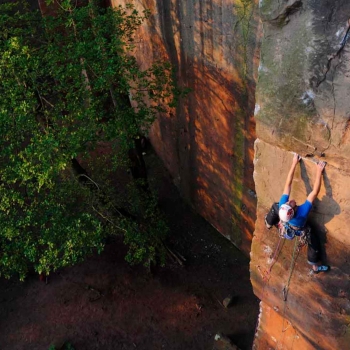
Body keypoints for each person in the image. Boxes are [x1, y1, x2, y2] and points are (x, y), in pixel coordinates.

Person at [265, 153, 329, 274]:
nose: (290, 201)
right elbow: (315, 192)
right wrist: (319, 171)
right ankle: (315, 266)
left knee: (275, 206)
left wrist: (294, 162)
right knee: (313, 241)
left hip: (286, 223)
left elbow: (288, 183)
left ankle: (268, 222)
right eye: (291, 204)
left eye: (288, 202)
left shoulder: (283, 206)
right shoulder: (302, 213)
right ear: (293, 210)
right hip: (299, 228)